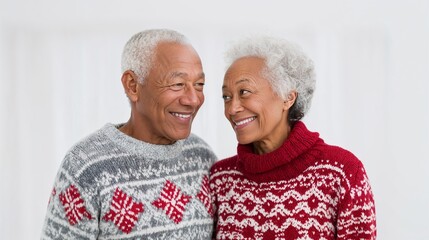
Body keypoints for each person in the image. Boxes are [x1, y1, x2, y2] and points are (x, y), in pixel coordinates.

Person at [41, 29, 217, 239]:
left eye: (199, 85)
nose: (193, 99)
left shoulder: (202, 156)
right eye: (178, 84)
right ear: (132, 86)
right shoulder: (86, 166)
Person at [209, 36, 376, 239]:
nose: (232, 108)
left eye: (244, 92)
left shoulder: (342, 173)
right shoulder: (220, 179)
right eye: (227, 96)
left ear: (288, 97)